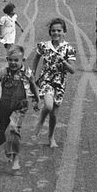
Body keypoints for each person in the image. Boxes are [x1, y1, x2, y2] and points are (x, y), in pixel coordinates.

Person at [0, 44, 40, 172]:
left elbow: (33, 85)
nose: (13, 63)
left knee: (14, 129)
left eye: (16, 60)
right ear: (7, 60)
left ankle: (16, 158)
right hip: (4, 106)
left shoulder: (27, 73)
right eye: (10, 60)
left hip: (20, 106)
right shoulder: (3, 72)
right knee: (4, 130)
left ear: (23, 60)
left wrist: (37, 100)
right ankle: (5, 140)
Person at [31, 17, 77, 148]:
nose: (56, 33)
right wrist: (33, 73)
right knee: (49, 105)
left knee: (54, 115)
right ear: (50, 32)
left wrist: (64, 62)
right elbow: (36, 58)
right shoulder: (44, 45)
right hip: (46, 79)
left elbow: (72, 70)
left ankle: (51, 138)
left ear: (64, 32)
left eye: (59, 30)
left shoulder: (69, 49)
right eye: (53, 31)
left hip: (60, 82)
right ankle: (40, 121)